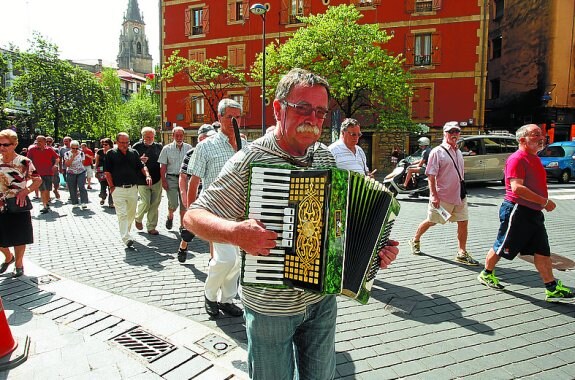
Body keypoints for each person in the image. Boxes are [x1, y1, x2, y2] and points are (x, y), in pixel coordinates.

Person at [184, 68, 399, 379]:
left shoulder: (325, 158)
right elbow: (194, 216)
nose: (312, 118)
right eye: (302, 108)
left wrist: (374, 249)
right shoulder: (251, 161)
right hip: (271, 309)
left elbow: (342, 225)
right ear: (278, 109)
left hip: (322, 301)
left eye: (320, 111)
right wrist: (236, 233)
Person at [477, 124, 574, 302]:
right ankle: (486, 273)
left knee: (542, 251)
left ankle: (551, 288)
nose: (541, 138)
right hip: (517, 210)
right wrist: (544, 202)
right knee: (502, 246)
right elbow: (517, 188)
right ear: (522, 140)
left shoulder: (534, 157)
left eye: (541, 134)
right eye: (535, 135)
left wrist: (540, 204)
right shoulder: (517, 159)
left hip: (534, 213)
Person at [186, 99, 246, 318]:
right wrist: (190, 215)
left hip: (239, 214)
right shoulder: (205, 146)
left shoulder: (246, 145)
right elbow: (193, 182)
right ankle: (210, 296)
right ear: (219, 118)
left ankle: (227, 299)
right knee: (226, 259)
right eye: (230, 117)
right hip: (215, 212)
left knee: (237, 262)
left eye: (238, 117)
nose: (234, 121)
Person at [409, 121, 479, 265]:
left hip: (460, 195)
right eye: (450, 132)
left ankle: (461, 252)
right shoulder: (437, 152)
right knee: (432, 221)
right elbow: (431, 175)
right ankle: (415, 239)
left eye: (456, 132)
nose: (454, 135)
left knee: (463, 222)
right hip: (443, 196)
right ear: (444, 133)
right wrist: (434, 195)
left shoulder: (458, 151)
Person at [0, 129, 42, 277]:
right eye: (0, 144)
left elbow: (37, 180)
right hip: (0, 204)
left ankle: (18, 263)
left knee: (19, 236)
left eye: (6, 145)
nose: (2, 148)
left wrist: (26, 191)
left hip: (18, 203)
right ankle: (8, 257)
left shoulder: (24, 161)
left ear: (15, 144)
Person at [104, 132, 152, 247]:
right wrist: (111, 187)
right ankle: (126, 238)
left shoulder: (133, 153)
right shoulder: (110, 154)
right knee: (122, 214)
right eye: (122, 143)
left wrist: (147, 175)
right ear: (116, 142)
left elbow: (142, 166)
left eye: (127, 143)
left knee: (130, 214)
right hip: (118, 189)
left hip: (132, 188)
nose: (125, 145)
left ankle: (127, 232)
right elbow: (107, 172)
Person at [176, 124, 215, 263]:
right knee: (190, 228)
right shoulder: (191, 153)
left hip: (210, 197)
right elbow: (183, 176)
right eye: (207, 137)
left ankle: (212, 259)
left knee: (212, 228)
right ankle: (183, 245)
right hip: (194, 196)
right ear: (200, 138)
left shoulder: (215, 151)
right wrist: (184, 194)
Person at [158, 126, 192, 231]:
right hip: (171, 178)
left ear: (184, 136)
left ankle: (182, 226)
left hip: (185, 179)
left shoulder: (189, 148)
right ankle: (170, 216)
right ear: (172, 136)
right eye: (176, 135)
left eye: (181, 135)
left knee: (184, 203)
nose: (179, 137)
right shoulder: (166, 149)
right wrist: (163, 181)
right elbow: (163, 166)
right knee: (173, 203)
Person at [132, 127, 163, 235]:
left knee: (155, 204)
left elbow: (164, 161)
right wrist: (139, 160)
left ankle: (151, 227)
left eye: (151, 137)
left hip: (157, 178)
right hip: (141, 179)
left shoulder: (159, 147)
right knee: (145, 202)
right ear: (142, 137)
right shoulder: (136, 147)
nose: (149, 138)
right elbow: (131, 162)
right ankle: (138, 217)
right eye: (147, 137)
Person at [26, 135, 60, 214]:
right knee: (42, 189)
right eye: (37, 141)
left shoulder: (49, 150)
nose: (38, 143)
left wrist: (55, 165)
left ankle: (47, 203)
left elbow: (57, 158)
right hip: (37, 174)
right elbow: (27, 160)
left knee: (47, 189)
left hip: (49, 172)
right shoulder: (32, 150)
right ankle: (44, 206)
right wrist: (28, 171)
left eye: (40, 141)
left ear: (45, 142)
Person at [63, 140, 89, 209]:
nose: (75, 150)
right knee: (72, 188)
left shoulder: (81, 153)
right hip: (71, 172)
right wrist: (73, 157)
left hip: (81, 172)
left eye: (76, 148)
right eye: (73, 148)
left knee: (81, 186)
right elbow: (67, 164)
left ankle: (84, 202)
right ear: (70, 147)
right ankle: (75, 202)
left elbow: (82, 163)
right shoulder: (67, 154)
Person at [95, 138, 114, 208]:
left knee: (111, 186)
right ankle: (103, 197)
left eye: (106, 144)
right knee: (103, 186)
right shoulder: (100, 152)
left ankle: (111, 202)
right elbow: (96, 162)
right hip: (101, 171)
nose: (104, 146)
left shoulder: (113, 152)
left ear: (110, 145)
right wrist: (96, 171)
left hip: (111, 171)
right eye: (103, 144)